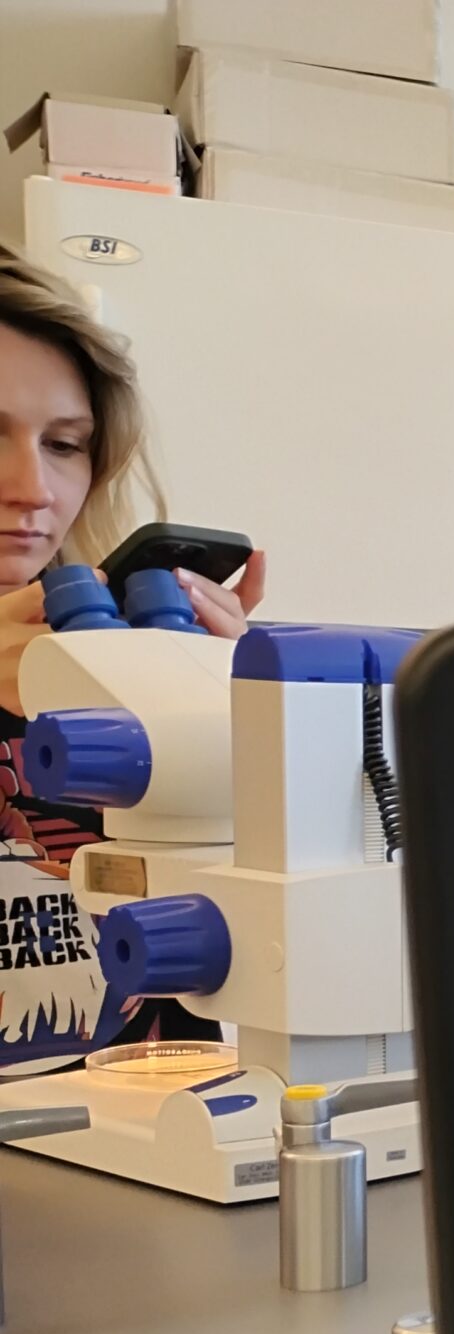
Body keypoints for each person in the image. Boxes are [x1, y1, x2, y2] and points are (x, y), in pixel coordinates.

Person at [0, 251, 265, 1057]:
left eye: (65, 444)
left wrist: (250, 726)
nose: (35, 489)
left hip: (158, 1137)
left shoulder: (114, 664)